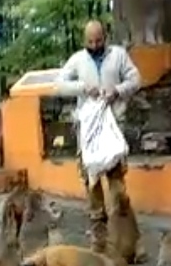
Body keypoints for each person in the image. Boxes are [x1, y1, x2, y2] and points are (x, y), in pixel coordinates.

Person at [56, 20, 141, 253]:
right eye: (90, 41)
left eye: (99, 40)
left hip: (113, 124)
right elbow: (59, 85)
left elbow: (136, 80)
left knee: (117, 185)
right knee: (91, 183)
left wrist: (117, 91)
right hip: (89, 128)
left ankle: (125, 240)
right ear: (85, 41)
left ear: (106, 37)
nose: (95, 45)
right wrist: (83, 87)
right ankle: (99, 240)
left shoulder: (119, 55)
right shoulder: (77, 60)